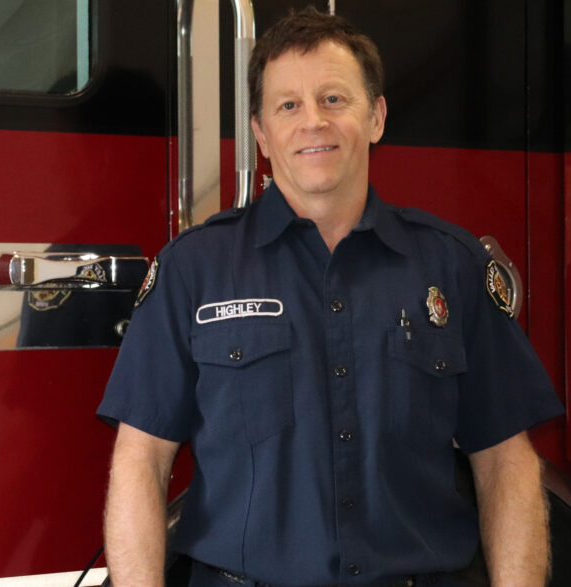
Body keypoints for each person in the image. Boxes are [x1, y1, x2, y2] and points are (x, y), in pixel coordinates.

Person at [97, 7, 564, 587]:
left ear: (376, 117)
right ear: (261, 134)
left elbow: (505, 461)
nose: (312, 121)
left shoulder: (453, 265)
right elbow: (142, 462)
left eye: (334, 99)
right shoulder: (193, 270)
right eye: (288, 105)